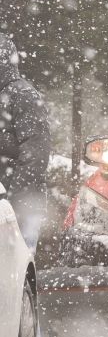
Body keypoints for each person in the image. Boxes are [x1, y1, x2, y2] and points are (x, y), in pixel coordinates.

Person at [0, 33, 51, 253]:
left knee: (17, 270)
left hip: (18, 205)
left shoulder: (23, 95)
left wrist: (12, 204)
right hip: (8, 201)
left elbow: (34, 155)